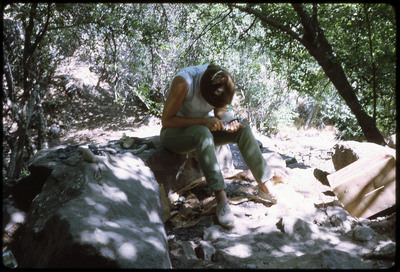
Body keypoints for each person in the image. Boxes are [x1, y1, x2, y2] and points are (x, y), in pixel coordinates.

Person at [160, 64, 285, 228]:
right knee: (202, 133)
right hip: (175, 135)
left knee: (243, 128)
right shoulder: (184, 82)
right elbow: (167, 120)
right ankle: (221, 199)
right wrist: (203, 121)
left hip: (202, 129)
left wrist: (229, 120)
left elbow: (220, 111)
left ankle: (264, 185)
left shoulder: (220, 78)